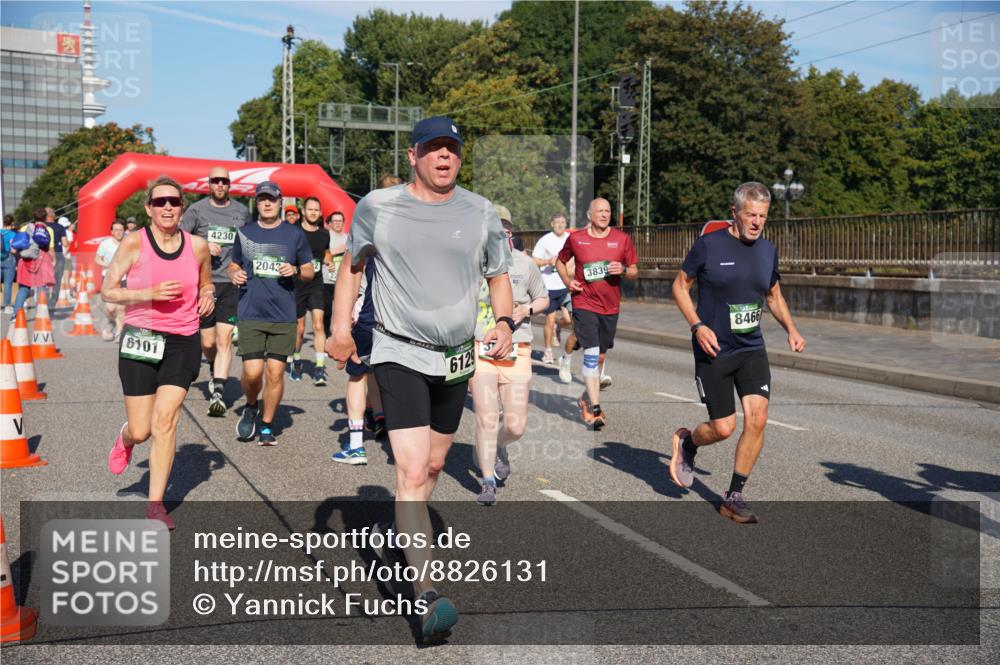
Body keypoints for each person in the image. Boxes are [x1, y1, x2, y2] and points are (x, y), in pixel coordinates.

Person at [328, 116, 512, 643]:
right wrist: (341, 330)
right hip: (398, 350)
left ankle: (405, 530)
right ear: (413, 155)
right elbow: (352, 269)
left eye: (451, 148)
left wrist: (503, 321)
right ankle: (426, 594)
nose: (444, 157)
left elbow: (498, 275)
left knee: (433, 463)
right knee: (410, 470)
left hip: (455, 358)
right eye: (433, 148)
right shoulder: (377, 207)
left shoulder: (479, 212)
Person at [669, 182, 806, 524]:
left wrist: (791, 329)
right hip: (713, 348)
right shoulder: (709, 245)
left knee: (758, 418)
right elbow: (679, 286)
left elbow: (773, 295)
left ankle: (734, 495)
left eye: (763, 216)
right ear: (735, 213)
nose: (757, 222)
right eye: (751, 215)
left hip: (751, 347)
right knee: (724, 427)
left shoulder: (767, 250)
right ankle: (688, 445)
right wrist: (697, 326)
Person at [104, 176, 215, 529]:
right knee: (142, 429)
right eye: (160, 202)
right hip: (141, 338)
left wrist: (209, 294)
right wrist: (147, 293)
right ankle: (126, 439)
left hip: (182, 340)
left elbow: (206, 281)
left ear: (183, 207)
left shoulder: (197, 246)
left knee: (165, 421)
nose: (167, 207)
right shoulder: (134, 244)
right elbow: (108, 291)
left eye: (173, 201)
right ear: (149, 208)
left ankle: (156, 505)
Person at [470, 205, 548, 505]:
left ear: (510, 233)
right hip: (482, 350)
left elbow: (543, 298)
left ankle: (496, 447)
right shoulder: (472, 263)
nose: (499, 234)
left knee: (515, 425)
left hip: (518, 350)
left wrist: (526, 309)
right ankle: (487, 480)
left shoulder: (524, 264)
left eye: (504, 229)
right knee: (486, 417)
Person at [229, 181, 314, 446]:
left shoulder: (294, 234)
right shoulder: (245, 233)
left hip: (282, 315)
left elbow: (310, 271)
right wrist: (234, 273)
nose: (267, 203)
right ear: (257, 202)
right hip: (251, 311)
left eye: (271, 199)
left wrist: (296, 270)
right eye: (262, 199)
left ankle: (266, 425)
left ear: (279, 202)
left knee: (275, 373)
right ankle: (251, 404)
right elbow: (233, 263)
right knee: (253, 373)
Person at [329, 177, 401, 466]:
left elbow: (350, 271)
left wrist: (343, 324)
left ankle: (357, 446)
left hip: (372, 317)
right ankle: (402, 448)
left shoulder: (369, 226)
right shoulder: (418, 224)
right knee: (401, 381)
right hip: (403, 319)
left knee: (358, 375)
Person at [555, 198, 638, 429]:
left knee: (601, 356)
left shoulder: (621, 239)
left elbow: (633, 271)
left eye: (607, 211)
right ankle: (596, 408)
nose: (604, 214)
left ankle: (584, 397)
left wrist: (622, 269)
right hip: (584, 303)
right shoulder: (577, 238)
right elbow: (560, 262)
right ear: (589, 214)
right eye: (599, 211)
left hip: (610, 307)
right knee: (591, 352)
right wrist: (568, 282)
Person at [180, 166, 252, 417]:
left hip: (231, 283)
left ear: (229, 185)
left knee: (224, 339)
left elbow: (251, 241)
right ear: (208, 184)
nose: (220, 184)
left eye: (224, 181)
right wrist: (201, 245)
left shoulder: (242, 212)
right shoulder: (197, 210)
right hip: (204, 284)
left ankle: (218, 392)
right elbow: (178, 239)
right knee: (208, 342)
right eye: (215, 181)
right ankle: (212, 367)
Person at [288, 197, 330, 385]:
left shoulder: (324, 234)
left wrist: (328, 259)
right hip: (297, 283)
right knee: (299, 329)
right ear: (303, 212)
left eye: (316, 210)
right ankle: (296, 361)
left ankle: (320, 368)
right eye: (310, 209)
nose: (313, 212)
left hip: (316, 283)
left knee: (319, 325)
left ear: (320, 213)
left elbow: (325, 252)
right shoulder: (294, 232)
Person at [531, 212, 572, 365]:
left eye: (563, 222)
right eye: (557, 222)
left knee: (568, 319)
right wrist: (548, 261)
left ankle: (558, 327)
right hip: (549, 286)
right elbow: (534, 260)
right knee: (550, 319)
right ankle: (548, 352)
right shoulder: (545, 240)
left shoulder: (570, 238)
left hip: (565, 284)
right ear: (552, 224)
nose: (560, 225)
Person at [13, 208, 56, 313]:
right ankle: (41, 313)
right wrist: (53, 261)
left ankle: (16, 315)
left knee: (24, 288)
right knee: (41, 287)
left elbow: (15, 246)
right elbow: (50, 248)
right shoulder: (48, 229)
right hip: (41, 260)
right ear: (45, 217)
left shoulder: (25, 228)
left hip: (25, 260)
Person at [95, 220, 127, 341]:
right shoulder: (105, 243)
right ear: (112, 231)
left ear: (124, 231)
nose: (118, 232)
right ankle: (110, 322)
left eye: (121, 230)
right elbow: (97, 259)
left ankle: (119, 332)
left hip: (124, 277)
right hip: (108, 277)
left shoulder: (128, 242)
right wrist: (106, 264)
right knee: (110, 308)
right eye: (116, 230)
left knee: (121, 307)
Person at [322, 210, 348, 337]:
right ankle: (325, 336)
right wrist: (335, 251)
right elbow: (318, 255)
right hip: (327, 279)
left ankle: (338, 336)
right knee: (326, 311)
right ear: (330, 223)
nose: (338, 223)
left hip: (342, 281)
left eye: (340, 221)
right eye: (335, 221)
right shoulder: (325, 236)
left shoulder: (348, 238)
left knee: (341, 311)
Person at [45, 207, 70, 303]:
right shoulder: (60, 227)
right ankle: (52, 302)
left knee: (44, 280)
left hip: (45, 255)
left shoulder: (40, 227)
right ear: (53, 216)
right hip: (58, 255)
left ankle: (44, 301)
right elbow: (65, 243)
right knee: (57, 280)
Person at [1, 215, 16, 315]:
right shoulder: (13, 234)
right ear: (11, 223)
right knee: (7, 284)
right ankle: (7, 306)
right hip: (8, 259)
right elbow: (13, 250)